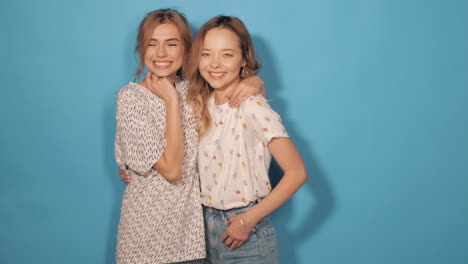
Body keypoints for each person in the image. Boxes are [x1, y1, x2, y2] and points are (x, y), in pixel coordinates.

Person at [114, 9, 264, 264]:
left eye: (171, 44)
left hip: (194, 238)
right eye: (152, 44)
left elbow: (231, 87)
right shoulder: (130, 98)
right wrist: (171, 100)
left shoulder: (194, 88)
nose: (161, 53)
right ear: (142, 48)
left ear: (187, 49)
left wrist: (255, 82)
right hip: (146, 238)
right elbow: (173, 171)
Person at [184, 16, 307, 264]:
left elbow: (297, 173)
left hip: (245, 232)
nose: (215, 64)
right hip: (202, 230)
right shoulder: (201, 104)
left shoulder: (252, 106)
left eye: (227, 54)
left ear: (244, 59)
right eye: (206, 54)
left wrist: (247, 220)